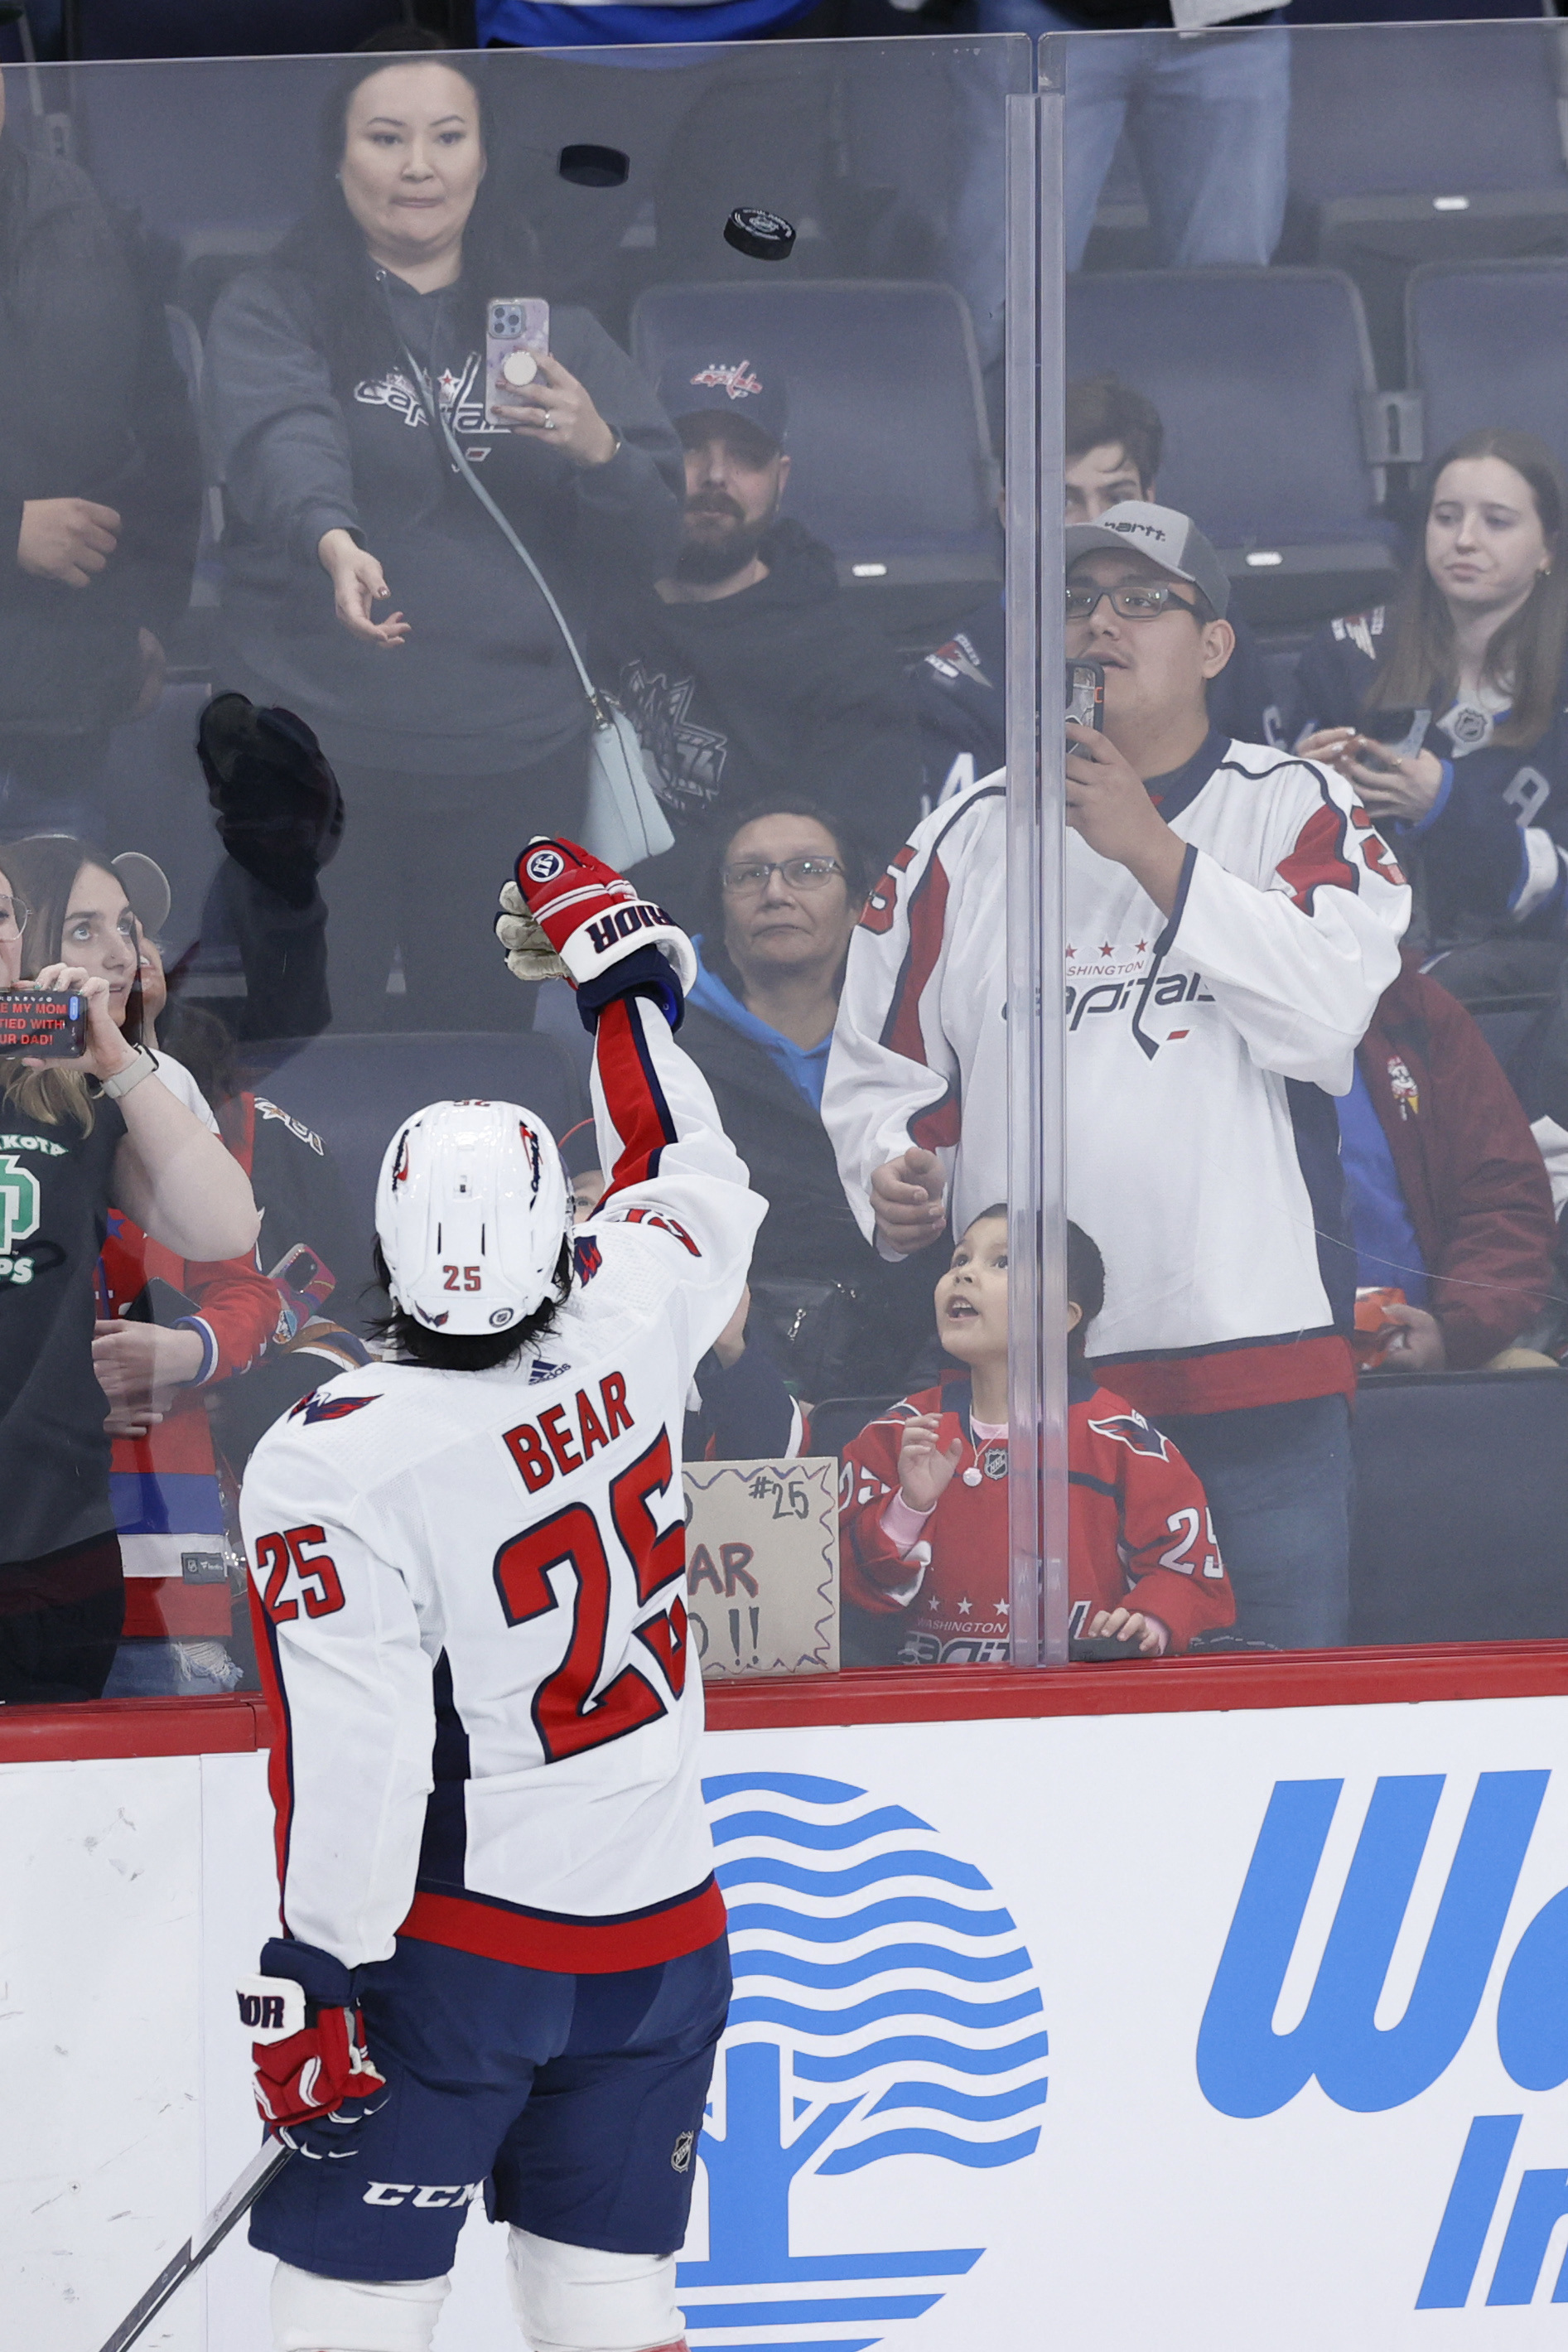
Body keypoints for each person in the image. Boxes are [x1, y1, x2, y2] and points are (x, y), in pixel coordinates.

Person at [235, 835, 761, 2352]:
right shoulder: (630, 1309)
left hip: (465, 1956)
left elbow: (361, 1751)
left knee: (350, 2314)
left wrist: (318, 1966)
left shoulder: (332, 1454)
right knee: (607, 2303)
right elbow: (685, 1162)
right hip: (662, 1934)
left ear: (386, 1244)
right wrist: (621, 988)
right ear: (556, 1230)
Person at [826, 500, 1411, 1649]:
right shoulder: (960, 836)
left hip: (1256, 1363)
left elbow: (1326, 1015)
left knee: (1278, 1726)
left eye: (1143, 599)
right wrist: (891, 1168)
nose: (1102, 624)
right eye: (1078, 601)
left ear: (1214, 645)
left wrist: (1149, 848)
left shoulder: (1295, 803)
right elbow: (878, 1072)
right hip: (1030, 1391)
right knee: (1057, 1750)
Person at [203, 56, 683, 1032]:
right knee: (300, 1046)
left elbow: (653, 536)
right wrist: (332, 537)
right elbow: (283, 436)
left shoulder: (562, 335)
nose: (417, 165)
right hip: (314, 760)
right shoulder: (271, 308)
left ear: (483, 160)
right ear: (338, 164)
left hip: (510, 758)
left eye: (446, 137)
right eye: (386, 138)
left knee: (482, 1050)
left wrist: (600, 449)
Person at [3, 833, 279, 1695]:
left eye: (3, 915)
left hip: (54, 1545)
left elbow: (224, 1227)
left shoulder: (65, 1090)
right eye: (84, 927)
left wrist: (116, 1058)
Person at [604, 351, 923, 927]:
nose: (715, 476)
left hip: (754, 965)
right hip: (588, 944)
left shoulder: (846, 660)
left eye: (745, 456)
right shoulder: (591, 604)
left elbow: (854, 869)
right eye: (688, 445)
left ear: (781, 477)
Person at [841, 1210, 1234, 1665]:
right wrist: (909, 1508)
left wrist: (1148, 1624)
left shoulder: (1120, 1437)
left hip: (1079, 1712)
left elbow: (1191, 1576)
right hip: (930, 1713)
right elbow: (840, 1589)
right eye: (959, 1258)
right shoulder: (900, 1432)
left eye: (1002, 1262)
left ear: (1061, 1316)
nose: (964, 1273)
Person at [0, 64, 200, 838]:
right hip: (57, 662)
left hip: (69, 689)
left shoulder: (90, 218)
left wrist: (153, 612)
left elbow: (162, 429)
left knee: (53, 950)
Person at [916, 373, 1272, 801]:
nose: (1093, 521)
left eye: (1117, 497)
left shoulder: (1206, 626)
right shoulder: (961, 682)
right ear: (1011, 513)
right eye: (1063, 499)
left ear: (1150, 500)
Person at [678, 799, 932, 1398]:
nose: (775, 893)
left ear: (858, 906)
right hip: (727, 1356)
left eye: (809, 870)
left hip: (914, 1351)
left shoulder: (922, 1032)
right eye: (748, 874)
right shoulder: (659, 1038)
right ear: (718, 906)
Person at [1290, 431, 1568, 971]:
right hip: (1357, 969)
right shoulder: (1347, 653)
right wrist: (1301, 789)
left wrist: (1443, 807)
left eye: (1496, 521)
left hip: (1526, 983)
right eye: (1445, 517)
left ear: (1547, 549)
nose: (1463, 539)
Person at [1341, 956, 1556, 1374]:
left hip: (1425, 1355)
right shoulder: (1188, 1026)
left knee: (1531, 1376)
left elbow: (1505, 1199)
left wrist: (1451, 1333)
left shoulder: (1413, 1007)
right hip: (1248, 1369)